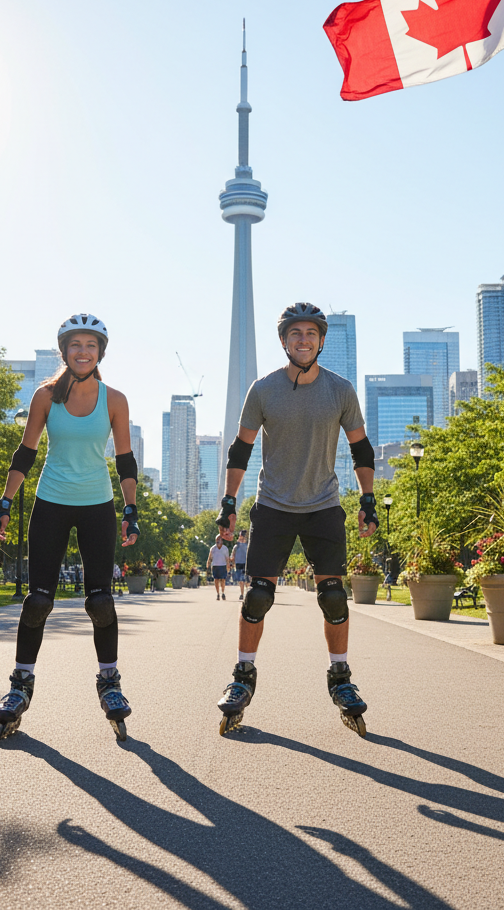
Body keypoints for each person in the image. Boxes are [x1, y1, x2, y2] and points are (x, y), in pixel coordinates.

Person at [214, 302, 378, 737]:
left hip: (323, 504)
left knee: (334, 597)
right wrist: (229, 503)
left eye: (311, 334)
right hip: (273, 505)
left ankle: (340, 678)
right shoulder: (263, 390)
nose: (303, 340)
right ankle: (242, 676)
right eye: (295, 334)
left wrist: (368, 500)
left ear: (321, 341)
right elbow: (240, 450)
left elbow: (362, 449)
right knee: (258, 598)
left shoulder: (340, 390)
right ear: (284, 341)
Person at [0, 314, 140, 744]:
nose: (83, 352)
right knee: (37, 601)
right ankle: (20, 686)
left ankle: (109, 683)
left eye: (90, 345)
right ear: (64, 352)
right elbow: (26, 452)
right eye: (75, 345)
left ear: (100, 353)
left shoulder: (115, 400)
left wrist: (131, 510)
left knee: (100, 602)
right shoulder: (44, 397)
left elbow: (125, 460)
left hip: (97, 504)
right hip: (51, 501)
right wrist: (4, 504)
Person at [207, 536, 230, 600]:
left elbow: (227, 558)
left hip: (223, 565)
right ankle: (218, 593)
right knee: (216, 579)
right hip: (215, 566)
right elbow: (210, 557)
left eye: (220, 539)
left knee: (223, 579)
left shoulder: (225, 548)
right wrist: (208, 564)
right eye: (217, 539)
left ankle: (223, 592)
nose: (218, 541)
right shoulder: (213, 548)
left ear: (222, 541)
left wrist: (228, 565)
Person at [232, 529, 249, 601]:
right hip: (239, 564)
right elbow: (233, 554)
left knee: (247, 581)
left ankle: (247, 593)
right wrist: (232, 563)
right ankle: (242, 594)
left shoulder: (248, 545)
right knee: (240, 580)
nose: (240, 537)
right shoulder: (236, 546)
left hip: (246, 564)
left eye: (242, 535)